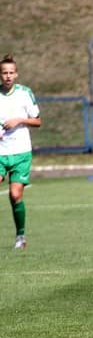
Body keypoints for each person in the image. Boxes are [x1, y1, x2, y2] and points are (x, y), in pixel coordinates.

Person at [0, 54, 41, 250]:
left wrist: (19, 120)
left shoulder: (25, 93)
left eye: (11, 73)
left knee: (15, 195)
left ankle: (20, 236)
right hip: (0, 153)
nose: (8, 76)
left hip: (21, 152)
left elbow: (38, 121)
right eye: (4, 73)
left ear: (16, 74)